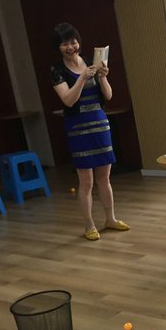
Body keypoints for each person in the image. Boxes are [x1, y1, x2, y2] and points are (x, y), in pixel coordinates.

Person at [50, 22, 129, 241]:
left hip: (100, 125)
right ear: (58, 47)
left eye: (73, 41)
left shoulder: (91, 62)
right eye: (64, 43)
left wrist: (102, 76)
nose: (70, 47)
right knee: (86, 183)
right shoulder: (57, 70)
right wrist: (83, 78)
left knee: (105, 178)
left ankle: (110, 219)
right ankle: (89, 225)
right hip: (78, 129)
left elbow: (108, 96)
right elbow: (68, 100)